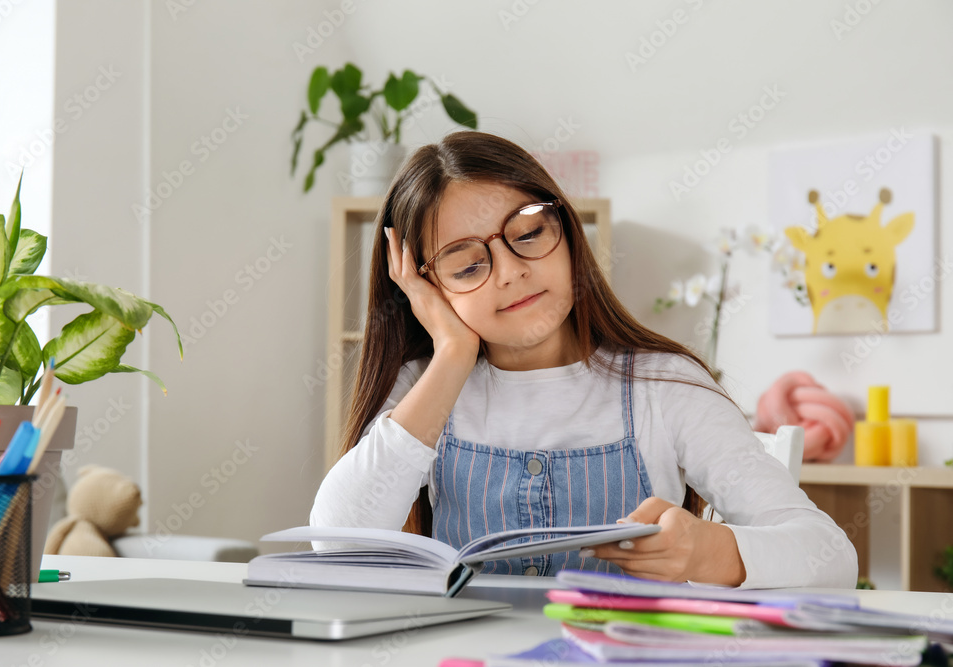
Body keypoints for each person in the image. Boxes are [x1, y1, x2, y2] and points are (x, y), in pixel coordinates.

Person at [310, 131, 857, 589]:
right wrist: (452, 355)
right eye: (466, 266)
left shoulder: (664, 387)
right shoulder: (425, 391)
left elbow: (829, 557)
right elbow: (337, 544)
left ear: (566, 230)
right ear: (427, 290)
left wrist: (710, 552)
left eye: (527, 234)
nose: (509, 271)